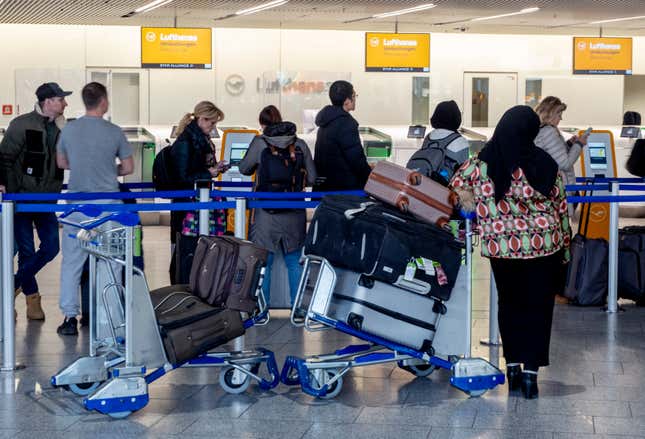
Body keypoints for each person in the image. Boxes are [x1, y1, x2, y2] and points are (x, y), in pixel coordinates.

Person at [449, 105, 571, 400]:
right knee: (538, 309)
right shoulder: (544, 163)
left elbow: (456, 187)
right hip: (544, 247)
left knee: (510, 304)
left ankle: (512, 367)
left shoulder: (481, 163)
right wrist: (565, 245)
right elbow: (560, 207)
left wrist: (478, 208)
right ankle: (531, 375)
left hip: (502, 249)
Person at [56, 82, 134, 335]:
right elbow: (129, 167)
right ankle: (109, 319)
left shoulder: (69, 130)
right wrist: (110, 170)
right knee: (111, 262)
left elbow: (61, 162)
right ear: (104, 101)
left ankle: (69, 317)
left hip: (76, 208)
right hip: (109, 206)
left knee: (72, 262)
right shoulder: (114, 131)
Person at [0, 82, 71, 321]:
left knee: (51, 247)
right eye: (61, 99)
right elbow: (5, 158)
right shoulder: (21, 124)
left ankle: (12, 285)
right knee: (26, 252)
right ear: (48, 101)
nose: (65, 104)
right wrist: (10, 190)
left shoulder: (61, 127)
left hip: (47, 199)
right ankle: (33, 301)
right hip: (20, 199)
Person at [238, 106, 316, 307]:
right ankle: (298, 309)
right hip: (295, 211)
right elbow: (313, 177)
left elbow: (244, 168)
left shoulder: (259, 143)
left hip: (265, 213)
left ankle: (261, 309)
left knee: (264, 262)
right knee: (294, 262)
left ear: (263, 125)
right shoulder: (299, 144)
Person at [169, 101, 229, 284]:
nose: (213, 127)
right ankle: (184, 289)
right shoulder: (186, 142)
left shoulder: (200, 140)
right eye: (212, 123)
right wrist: (208, 173)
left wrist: (215, 168)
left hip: (200, 203)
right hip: (189, 207)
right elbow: (182, 176)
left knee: (201, 249)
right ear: (202, 119)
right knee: (188, 251)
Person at [534, 96, 588, 216]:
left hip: (551, 187)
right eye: (559, 114)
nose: (561, 118)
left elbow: (554, 156)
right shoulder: (549, 132)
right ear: (551, 113)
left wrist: (569, 144)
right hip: (560, 188)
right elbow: (564, 163)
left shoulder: (540, 130)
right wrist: (579, 144)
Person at [313, 80, 371, 191]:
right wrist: (369, 177)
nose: (355, 99)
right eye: (354, 96)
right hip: (343, 191)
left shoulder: (326, 121)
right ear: (347, 101)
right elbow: (356, 160)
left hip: (325, 187)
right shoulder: (346, 124)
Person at [407, 100, 469, 185]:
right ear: (456, 118)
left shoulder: (429, 137)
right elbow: (465, 173)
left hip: (422, 184)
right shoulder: (461, 141)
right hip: (443, 190)